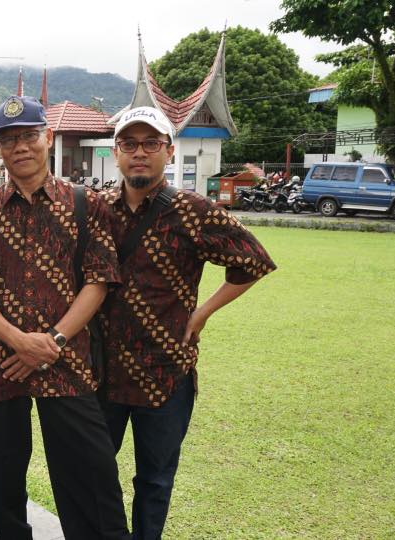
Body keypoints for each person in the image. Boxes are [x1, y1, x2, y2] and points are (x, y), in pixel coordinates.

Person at [0, 96, 130, 540]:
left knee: (90, 469)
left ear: (47, 138)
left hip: (66, 361)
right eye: (9, 139)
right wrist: (20, 341)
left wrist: (52, 342)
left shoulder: (85, 203)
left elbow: (99, 281)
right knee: (5, 470)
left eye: (29, 136)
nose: (20, 147)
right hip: (1, 361)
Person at [98, 106, 276, 539]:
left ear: (169, 151)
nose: (140, 153)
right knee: (95, 473)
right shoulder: (97, 209)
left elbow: (253, 261)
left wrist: (203, 311)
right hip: (102, 370)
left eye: (151, 143)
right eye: (129, 144)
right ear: (116, 153)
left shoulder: (193, 210)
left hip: (166, 372)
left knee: (155, 481)